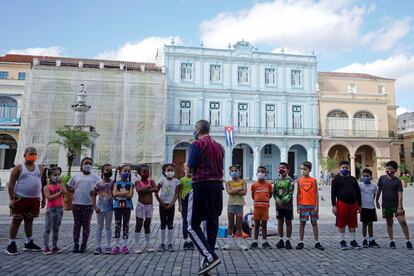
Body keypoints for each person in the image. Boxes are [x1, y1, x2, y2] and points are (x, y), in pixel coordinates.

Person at [187, 119, 224, 275]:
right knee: (211, 224)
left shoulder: (197, 145)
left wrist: (187, 168)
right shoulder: (219, 147)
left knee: (192, 225)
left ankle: (210, 256)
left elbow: (190, 169)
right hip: (217, 187)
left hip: (201, 185)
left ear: (198, 130)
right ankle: (205, 265)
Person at [6, 147, 44, 255]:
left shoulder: (40, 168)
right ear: (25, 155)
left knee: (29, 220)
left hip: (34, 199)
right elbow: (11, 184)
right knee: (16, 220)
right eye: (30, 154)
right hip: (20, 198)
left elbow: (42, 183)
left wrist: (43, 198)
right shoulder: (18, 168)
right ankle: (11, 244)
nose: (32, 156)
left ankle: (28, 242)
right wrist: (11, 199)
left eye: (34, 154)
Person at [376, 161, 413, 250]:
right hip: (386, 205)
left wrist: (400, 206)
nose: (389, 170)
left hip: (396, 205)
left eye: (391, 169)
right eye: (387, 169)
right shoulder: (382, 179)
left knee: (403, 222)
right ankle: (391, 241)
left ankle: (408, 240)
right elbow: (379, 190)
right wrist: (376, 200)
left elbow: (400, 194)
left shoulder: (397, 181)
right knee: (389, 223)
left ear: (395, 170)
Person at [67, 157, 100, 253]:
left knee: (86, 225)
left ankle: (84, 244)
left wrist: (95, 192)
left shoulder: (95, 177)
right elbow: (68, 185)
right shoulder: (76, 176)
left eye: (90, 163)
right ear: (81, 165)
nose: (88, 165)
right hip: (76, 203)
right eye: (86, 163)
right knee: (77, 225)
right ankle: (76, 244)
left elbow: (100, 187)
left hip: (89, 204)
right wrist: (73, 191)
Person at [331, 160, 362, 250]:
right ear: (339, 168)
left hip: (353, 204)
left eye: (347, 168)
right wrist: (334, 205)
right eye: (343, 168)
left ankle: (353, 241)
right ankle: (342, 241)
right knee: (341, 223)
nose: (345, 169)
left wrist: (359, 205)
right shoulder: (336, 179)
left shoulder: (353, 179)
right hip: (341, 203)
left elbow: (358, 192)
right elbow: (333, 193)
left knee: (352, 223)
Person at [296, 161, 324, 250]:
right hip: (303, 205)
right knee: (302, 223)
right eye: (301, 169)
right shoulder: (299, 180)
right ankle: (301, 242)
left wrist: (317, 206)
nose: (303, 171)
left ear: (310, 170)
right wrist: (298, 206)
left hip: (312, 205)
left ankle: (317, 242)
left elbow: (316, 194)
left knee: (314, 223)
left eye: (305, 169)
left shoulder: (313, 180)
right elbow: (298, 194)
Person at [156, 163, 180, 252]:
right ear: (164, 172)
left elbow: (177, 193)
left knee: (170, 224)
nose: (170, 172)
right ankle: (162, 243)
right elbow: (156, 192)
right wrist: (161, 202)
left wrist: (172, 203)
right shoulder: (161, 180)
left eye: (172, 170)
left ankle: (170, 243)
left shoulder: (176, 181)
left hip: (171, 205)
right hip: (162, 205)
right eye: (168, 170)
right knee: (163, 224)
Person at [223, 165, 248, 251]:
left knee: (239, 225)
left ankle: (241, 243)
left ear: (239, 172)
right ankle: (228, 243)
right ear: (229, 173)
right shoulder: (228, 183)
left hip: (239, 205)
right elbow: (229, 192)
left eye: (236, 171)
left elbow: (244, 192)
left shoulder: (243, 181)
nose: (234, 172)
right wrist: (238, 188)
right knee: (230, 224)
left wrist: (234, 190)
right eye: (232, 171)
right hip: (231, 204)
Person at [134, 164, 158, 254]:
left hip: (149, 206)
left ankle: (148, 244)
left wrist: (146, 189)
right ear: (139, 173)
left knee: (147, 224)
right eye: (143, 172)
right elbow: (138, 190)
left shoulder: (151, 181)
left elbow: (156, 189)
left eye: (147, 171)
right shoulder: (137, 182)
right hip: (140, 205)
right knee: (139, 224)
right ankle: (137, 245)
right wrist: (148, 188)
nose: (146, 173)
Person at [42, 167, 66, 255]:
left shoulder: (60, 185)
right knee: (47, 228)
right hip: (50, 209)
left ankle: (55, 246)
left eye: (58, 175)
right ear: (49, 176)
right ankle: (46, 247)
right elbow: (49, 198)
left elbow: (65, 191)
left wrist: (61, 182)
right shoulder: (46, 187)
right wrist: (59, 193)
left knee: (56, 228)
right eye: (55, 175)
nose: (57, 176)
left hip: (59, 209)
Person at [111, 165, 134, 254]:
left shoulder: (131, 184)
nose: (126, 173)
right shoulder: (116, 183)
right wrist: (126, 192)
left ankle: (125, 245)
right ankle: (116, 245)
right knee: (117, 224)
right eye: (125, 171)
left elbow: (130, 195)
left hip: (127, 206)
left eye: (128, 171)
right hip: (117, 206)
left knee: (126, 225)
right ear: (120, 172)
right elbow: (114, 194)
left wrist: (119, 193)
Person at [92, 163, 114, 255]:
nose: (109, 172)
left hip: (110, 208)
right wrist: (95, 207)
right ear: (102, 171)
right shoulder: (98, 183)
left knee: (108, 227)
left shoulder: (113, 182)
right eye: (107, 170)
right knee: (99, 227)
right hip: (100, 208)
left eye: (110, 170)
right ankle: (98, 246)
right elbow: (93, 195)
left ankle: (108, 246)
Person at [250, 166, 273, 249]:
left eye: (262, 171)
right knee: (256, 225)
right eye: (259, 171)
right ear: (256, 173)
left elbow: (270, 195)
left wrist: (265, 200)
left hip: (265, 208)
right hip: (257, 207)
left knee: (264, 225)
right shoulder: (254, 185)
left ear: (266, 173)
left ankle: (264, 241)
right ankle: (255, 241)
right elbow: (253, 195)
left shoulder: (269, 185)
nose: (260, 173)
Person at [273, 162, 294, 250]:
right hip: (278, 206)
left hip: (288, 206)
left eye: (283, 168)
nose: (281, 169)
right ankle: (280, 240)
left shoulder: (290, 181)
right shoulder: (276, 181)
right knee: (280, 222)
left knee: (288, 222)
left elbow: (290, 192)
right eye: (280, 167)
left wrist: (283, 201)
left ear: (288, 170)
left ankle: (288, 240)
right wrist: (277, 200)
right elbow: (274, 193)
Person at [359, 168, 380, 248]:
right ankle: (364, 240)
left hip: (371, 207)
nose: (365, 177)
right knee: (364, 224)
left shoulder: (374, 186)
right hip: (363, 208)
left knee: (370, 224)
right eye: (364, 176)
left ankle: (371, 240)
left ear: (371, 177)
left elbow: (374, 196)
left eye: (367, 176)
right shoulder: (360, 185)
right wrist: (359, 206)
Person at [178, 164, 195, 250]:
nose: (189, 170)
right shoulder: (182, 180)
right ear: (184, 169)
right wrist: (180, 204)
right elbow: (179, 193)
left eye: (191, 168)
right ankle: (186, 240)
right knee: (185, 220)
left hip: (194, 202)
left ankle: (192, 241)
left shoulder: (195, 179)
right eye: (187, 168)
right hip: (185, 202)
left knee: (193, 222)